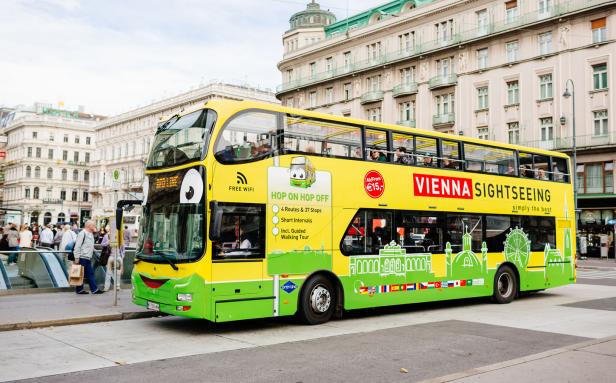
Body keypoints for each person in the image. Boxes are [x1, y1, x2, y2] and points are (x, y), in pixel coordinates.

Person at [73, 220, 103, 294]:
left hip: (88, 257)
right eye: (93, 225)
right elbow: (77, 246)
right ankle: (82, 289)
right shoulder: (82, 233)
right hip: (82, 257)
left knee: (89, 273)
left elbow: (89, 245)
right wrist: (76, 258)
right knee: (81, 274)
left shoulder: (90, 234)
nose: (94, 226)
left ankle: (92, 289)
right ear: (89, 226)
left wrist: (94, 250)